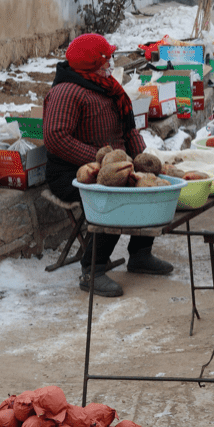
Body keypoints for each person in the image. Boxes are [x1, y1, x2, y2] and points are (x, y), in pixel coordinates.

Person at [44, 33, 174, 298]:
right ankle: (92, 269)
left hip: (114, 162)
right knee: (115, 195)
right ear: (93, 62)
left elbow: (128, 129)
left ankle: (140, 254)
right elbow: (56, 138)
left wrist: (144, 162)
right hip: (72, 172)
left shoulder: (105, 85)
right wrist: (101, 161)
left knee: (149, 184)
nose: (112, 62)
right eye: (107, 58)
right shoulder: (65, 92)